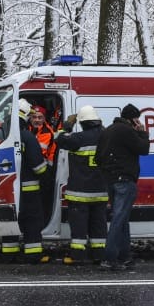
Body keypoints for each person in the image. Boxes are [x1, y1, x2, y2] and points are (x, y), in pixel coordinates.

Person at [96, 103, 150, 271]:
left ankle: (125, 256)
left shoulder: (107, 131)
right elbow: (144, 149)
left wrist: (109, 171)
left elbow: (98, 157)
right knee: (119, 219)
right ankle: (109, 258)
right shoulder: (127, 131)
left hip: (110, 180)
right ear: (132, 119)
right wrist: (143, 133)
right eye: (137, 119)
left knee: (122, 219)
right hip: (125, 181)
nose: (138, 122)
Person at [54, 105, 108, 265]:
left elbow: (59, 138)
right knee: (98, 225)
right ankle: (99, 254)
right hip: (100, 192)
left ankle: (78, 256)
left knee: (79, 227)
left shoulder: (78, 138)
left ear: (83, 123)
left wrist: (67, 126)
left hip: (79, 193)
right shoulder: (106, 137)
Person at [1, 98, 50, 264]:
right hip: (29, 190)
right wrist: (46, 172)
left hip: (7, 187)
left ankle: (9, 253)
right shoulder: (28, 137)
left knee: (10, 218)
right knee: (32, 221)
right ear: (26, 117)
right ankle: (33, 254)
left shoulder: (3, 137)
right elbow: (39, 168)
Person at [28, 104, 58, 224]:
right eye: (34, 117)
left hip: (43, 173)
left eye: (40, 117)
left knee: (41, 201)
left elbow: (48, 154)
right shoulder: (25, 129)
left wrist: (47, 174)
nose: (37, 120)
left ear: (44, 118)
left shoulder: (48, 133)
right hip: (28, 171)